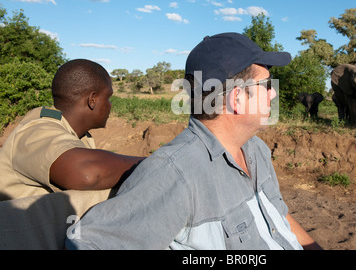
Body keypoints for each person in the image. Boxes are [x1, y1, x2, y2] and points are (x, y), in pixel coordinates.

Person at [66, 33, 322, 250]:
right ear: (237, 99)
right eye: (266, 84)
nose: (273, 92)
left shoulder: (256, 149)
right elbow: (87, 242)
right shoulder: (176, 172)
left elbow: (278, 215)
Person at [0, 59, 145, 202]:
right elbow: (88, 173)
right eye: (108, 97)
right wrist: (155, 164)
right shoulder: (37, 130)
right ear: (92, 99)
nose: (110, 105)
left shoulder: (76, 134)